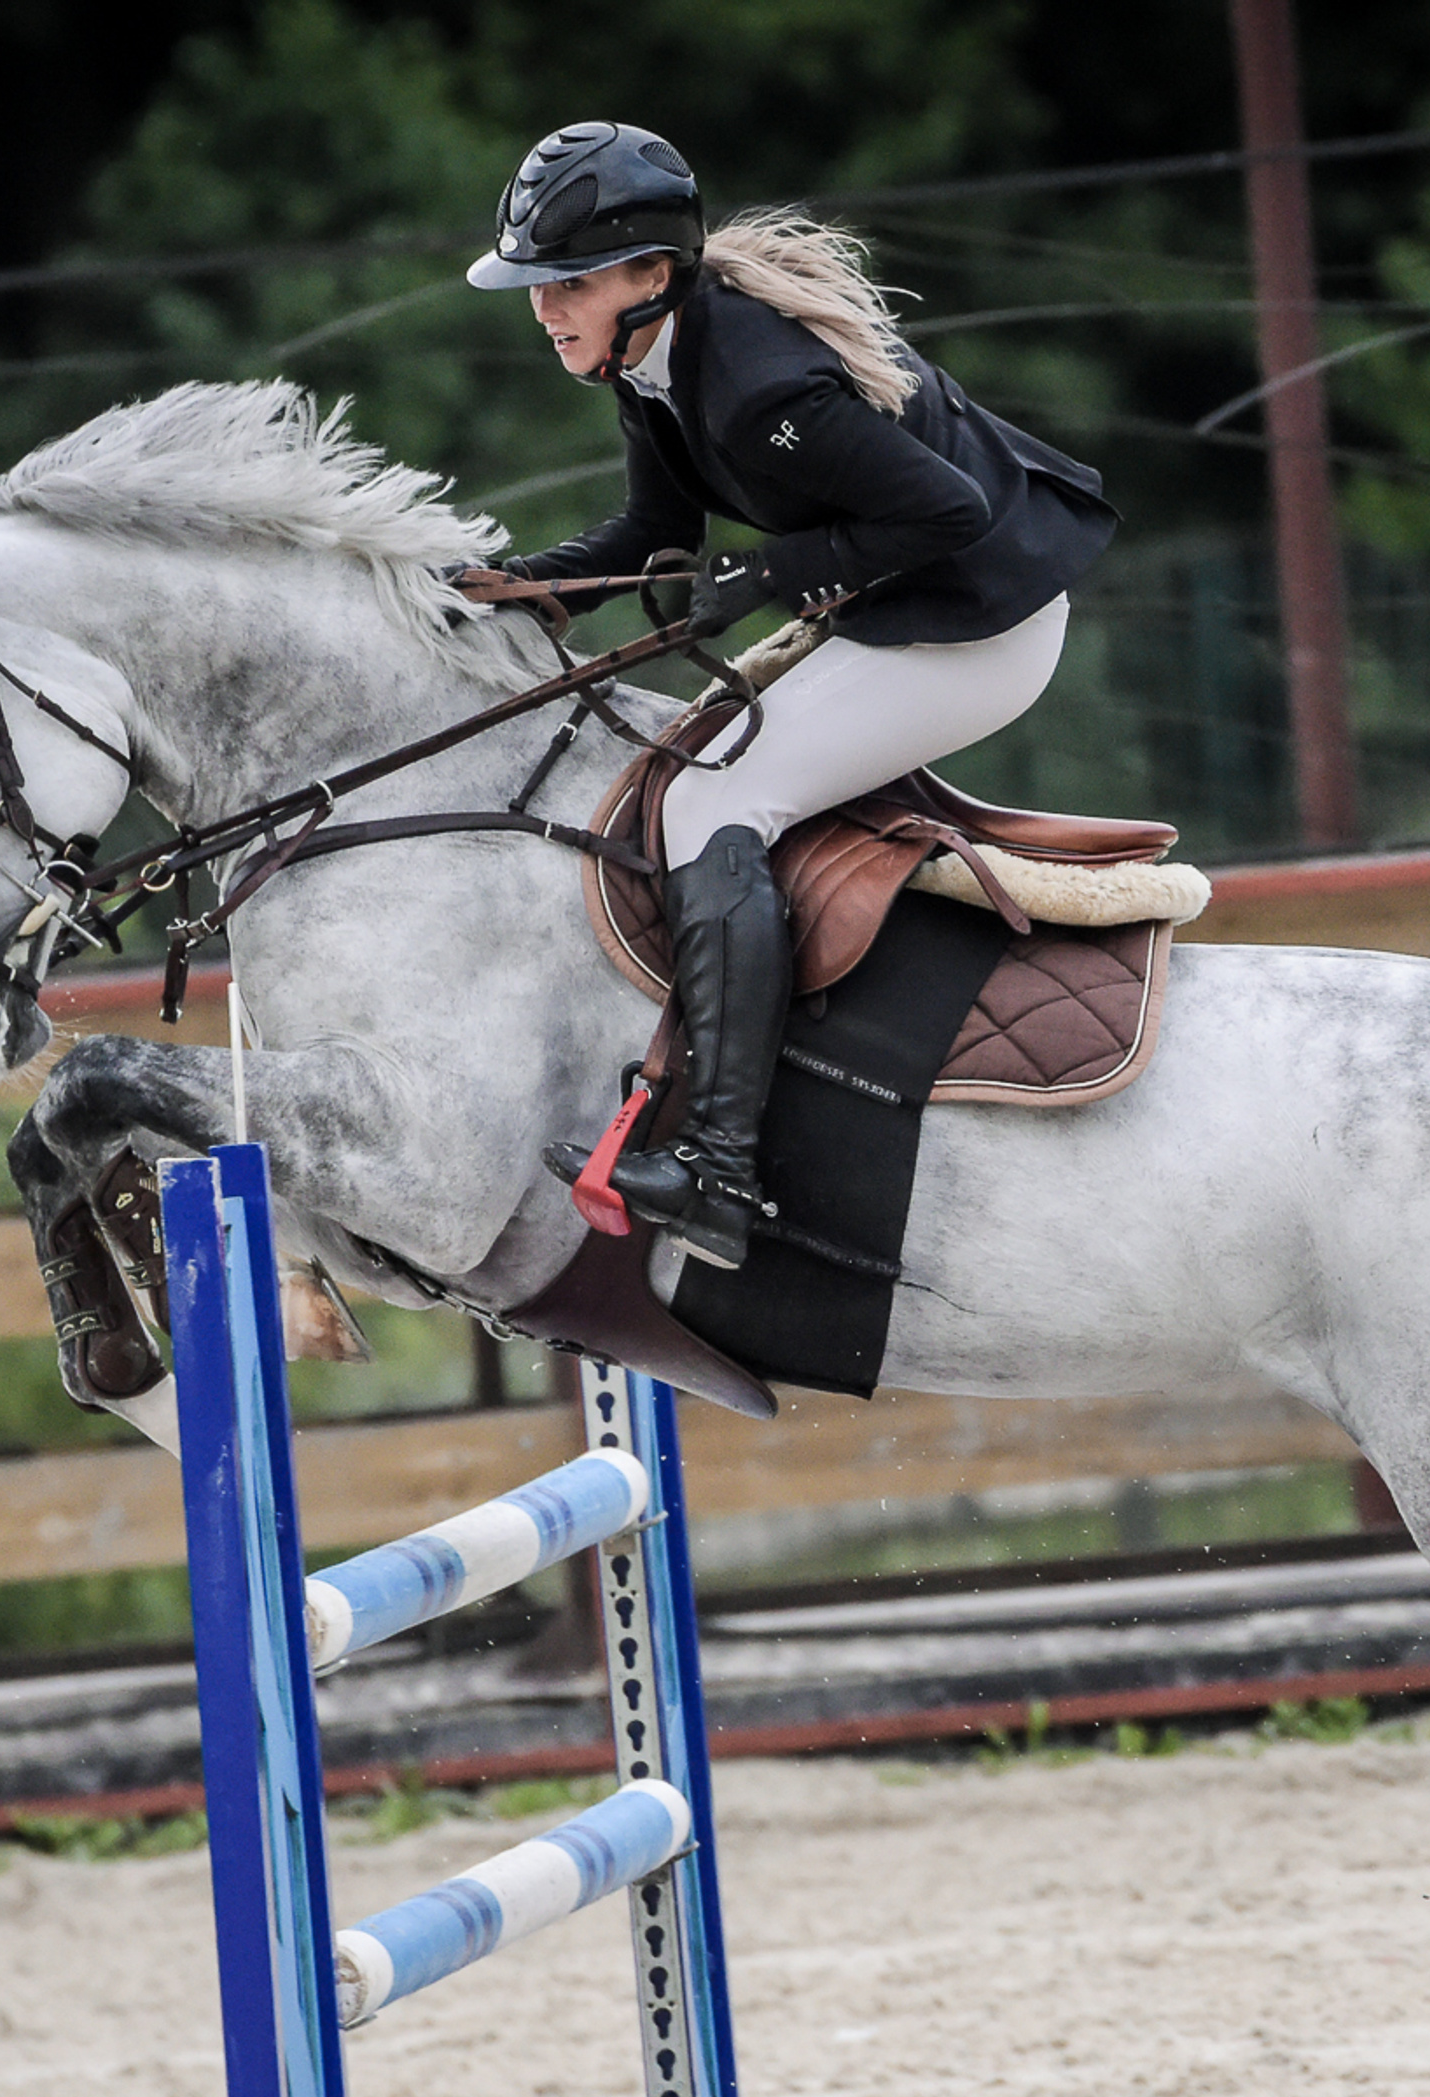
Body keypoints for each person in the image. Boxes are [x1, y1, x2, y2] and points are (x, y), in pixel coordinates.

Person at [459, 120, 1117, 1271]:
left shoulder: (761, 382)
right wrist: (512, 585)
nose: (545, 308)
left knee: (716, 806)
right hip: (904, 606)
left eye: (566, 282)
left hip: (980, 624)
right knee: (692, 785)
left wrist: (761, 576)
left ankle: (721, 1173)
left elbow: (948, 511)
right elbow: (654, 533)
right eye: (535, 286)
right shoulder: (652, 359)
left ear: (648, 275)